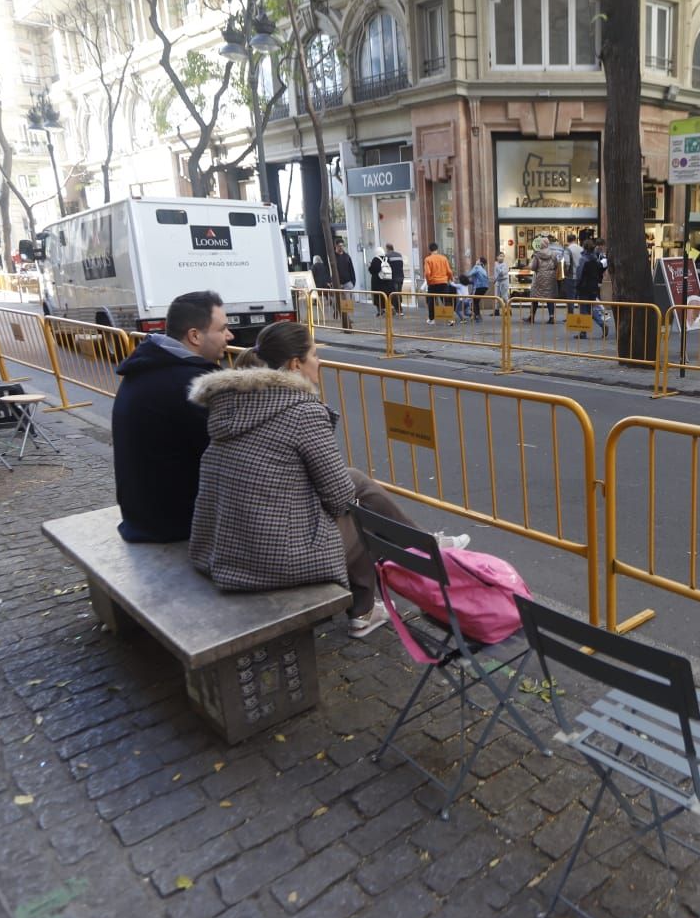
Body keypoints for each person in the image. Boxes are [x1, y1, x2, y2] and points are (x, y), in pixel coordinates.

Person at [188, 322, 466, 636]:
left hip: (225, 546)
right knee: (362, 517)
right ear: (295, 364)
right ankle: (367, 607)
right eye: (315, 355)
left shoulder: (233, 403)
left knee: (356, 480)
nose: (319, 362)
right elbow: (338, 498)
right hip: (269, 560)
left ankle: (423, 544)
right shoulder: (300, 410)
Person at [112, 290, 233, 543]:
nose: (230, 336)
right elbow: (231, 457)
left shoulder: (149, 366)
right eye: (222, 329)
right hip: (175, 525)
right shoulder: (189, 385)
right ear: (195, 336)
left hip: (143, 516)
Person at [573, 241, 607, 339]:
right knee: (590, 309)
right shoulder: (596, 259)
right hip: (593, 287)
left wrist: (577, 286)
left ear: (584, 248)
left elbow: (579, 274)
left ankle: (583, 332)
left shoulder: (583, 259)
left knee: (584, 309)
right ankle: (602, 324)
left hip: (584, 287)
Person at [526, 236, 561, 323]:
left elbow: (533, 267)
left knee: (535, 297)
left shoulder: (537, 254)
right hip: (551, 277)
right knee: (550, 297)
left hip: (540, 277)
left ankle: (532, 317)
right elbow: (557, 265)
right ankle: (551, 317)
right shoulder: (553, 254)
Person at [422, 242, 454, 325]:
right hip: (443, 282)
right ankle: (450, 320)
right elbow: (449, 271)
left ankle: (431, 319)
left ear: (430, 250)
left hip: (432, 283)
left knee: (431, 301)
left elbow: (427, 273)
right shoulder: (444, 258)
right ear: (437, 249)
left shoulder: (428, 259)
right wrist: (450, 279)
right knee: (446, 301)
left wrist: (429, 282)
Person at [367, 248, 393, 316]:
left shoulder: (375, 259)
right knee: (386, 296)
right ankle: (388, 309)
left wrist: (369, 266)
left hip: (377, 282)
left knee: (377, 296)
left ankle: (380, 310)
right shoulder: (386, 259)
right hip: (386, 281)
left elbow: (373, 270)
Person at [386, 244, 406, 316]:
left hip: (393, 277)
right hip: (401, 276)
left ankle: (399, 310)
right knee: (398, 292)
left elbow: (386, 267)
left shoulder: (387, 256)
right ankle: (398, 308)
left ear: (387, 249)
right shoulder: (399, 255)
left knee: (394, 293)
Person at [468, 257, 490, 322]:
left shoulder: (477, 267)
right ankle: (477, 315)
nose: (476, 260)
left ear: (480, 262)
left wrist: (475, 265)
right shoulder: (483, 269)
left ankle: (477, 316)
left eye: (477, 260)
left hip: (479, 286)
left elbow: (469, 274)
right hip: (485, 287)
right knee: (476, 301)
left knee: (474, 301)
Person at [493, 251, 510, 316]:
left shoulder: (505, 265)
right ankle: (496, 310)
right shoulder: (496, 264)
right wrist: (495, 280)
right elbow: (496, 273)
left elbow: (502, 273)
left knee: (504, 296)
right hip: (498, 281)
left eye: (503, 256)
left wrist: (497, 267)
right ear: (497, 257)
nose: (502, 258)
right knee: (497, 296)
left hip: (504, 281)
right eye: (500, 256)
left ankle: (508, 309)